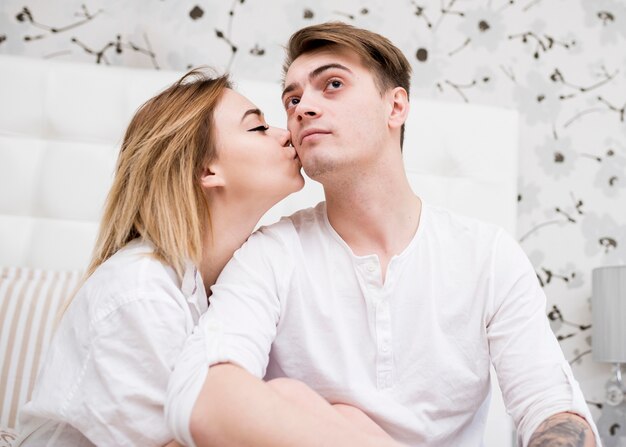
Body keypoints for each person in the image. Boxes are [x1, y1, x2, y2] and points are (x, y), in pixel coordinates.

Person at [166, 22, 602, 447]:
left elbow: (552, 409)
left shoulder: (486, 255)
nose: (302, 108)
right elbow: (204, 396)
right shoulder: (271, 253)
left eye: (332, 84)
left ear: (395, 107)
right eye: (292, 98)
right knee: (287, 398)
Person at [14, 69, 308, 446]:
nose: (286, 134)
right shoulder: (141, 292)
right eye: (258, 128)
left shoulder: (232, 284)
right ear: (206, 170)